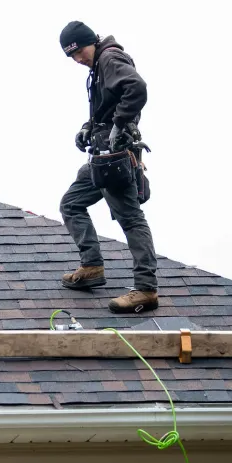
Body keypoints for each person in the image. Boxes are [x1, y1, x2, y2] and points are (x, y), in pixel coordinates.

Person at [57, 20, 159, 314]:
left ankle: (146, 289)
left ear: (90, 42)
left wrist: (119, 124)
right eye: (71, 56)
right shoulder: (99, 65)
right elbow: (108, 105)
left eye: (78, 52)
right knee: (72, 203)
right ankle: (92, 267)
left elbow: (136, 88)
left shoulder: (109, 58)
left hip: (115, 156)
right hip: (102, 156)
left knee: (130, 218)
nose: (77, 60)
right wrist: (89, 127)